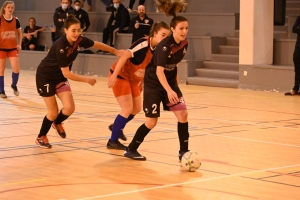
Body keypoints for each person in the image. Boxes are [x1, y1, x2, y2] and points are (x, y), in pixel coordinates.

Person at [35, 15, 124, 148]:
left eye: (78, 30)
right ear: (65, 30)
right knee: (53, 112)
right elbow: (67, 73)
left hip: (59, 78)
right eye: (73, 30)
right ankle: (41, 136)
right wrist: (87, 80)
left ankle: (57, 122)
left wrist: (115, 51)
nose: (76, 33)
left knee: (69, 108)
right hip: (45, 77)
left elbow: (96, 44)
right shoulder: (60, 46)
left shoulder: (79, 40)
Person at [124, 0, 189, 161]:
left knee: (183, 114)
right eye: (181, 28)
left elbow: (173, 64)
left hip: (169, 84)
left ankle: (184, 152)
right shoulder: (164, 46)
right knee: (151, 122)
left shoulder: (184, 44)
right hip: (154, 85)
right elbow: (159, 72)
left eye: (186, 28)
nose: (184, 31)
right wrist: (169, 90)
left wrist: (175, 83)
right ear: (172, 29)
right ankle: (131, 149)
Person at [107, 21, 169, 150]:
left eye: (167, 36)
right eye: (163, 35)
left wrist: (142, 82)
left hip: (134, 78)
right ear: (154, 34)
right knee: (127, 109)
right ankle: (112, 141)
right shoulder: (143, 43)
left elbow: (149, 68)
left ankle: (116, 126)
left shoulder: (159, 50)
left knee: (136, 108)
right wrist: (114, 75)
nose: (165, 39)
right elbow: (125, 55)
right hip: (121, 75)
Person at [0, 1, 22, 98]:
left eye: (12, 8)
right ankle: (1, 91)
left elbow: (19, 33)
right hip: (1, 48)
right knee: (1, 70)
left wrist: (19, 44)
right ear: (4, 8)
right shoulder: (0, 19)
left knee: (16, 69)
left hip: (12, 47)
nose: (10, 9)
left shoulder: (16, 20)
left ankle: (14, 85)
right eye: (8, 7)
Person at [285, 16, 300, 96]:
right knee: (297, 69)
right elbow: (294, 29)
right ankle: (295, 88)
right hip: (298, 48)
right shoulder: (299, 18)